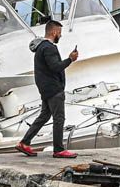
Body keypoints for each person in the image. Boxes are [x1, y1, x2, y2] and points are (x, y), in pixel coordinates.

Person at [16, 19, 79, 158]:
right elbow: (55, 67)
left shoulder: (41, 48)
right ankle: (59, 150)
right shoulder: (49, 48)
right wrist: (70, 59)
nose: (60, 36)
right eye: (60, 33)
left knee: (44, 116)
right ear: (54, 31)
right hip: (53, 89)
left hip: (45, 89)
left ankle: (24, 143)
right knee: (59, 118)